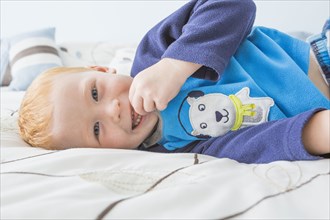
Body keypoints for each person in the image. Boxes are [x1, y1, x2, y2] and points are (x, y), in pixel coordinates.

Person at [18, 0, 330, 163]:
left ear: (101, 70)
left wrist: (175, 66)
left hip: (319, 57)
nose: (112, 110)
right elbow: (259, 143)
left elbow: (235, 5)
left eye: (95, 93)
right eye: (96, 129)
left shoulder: (156, 54)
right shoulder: (178, 150)